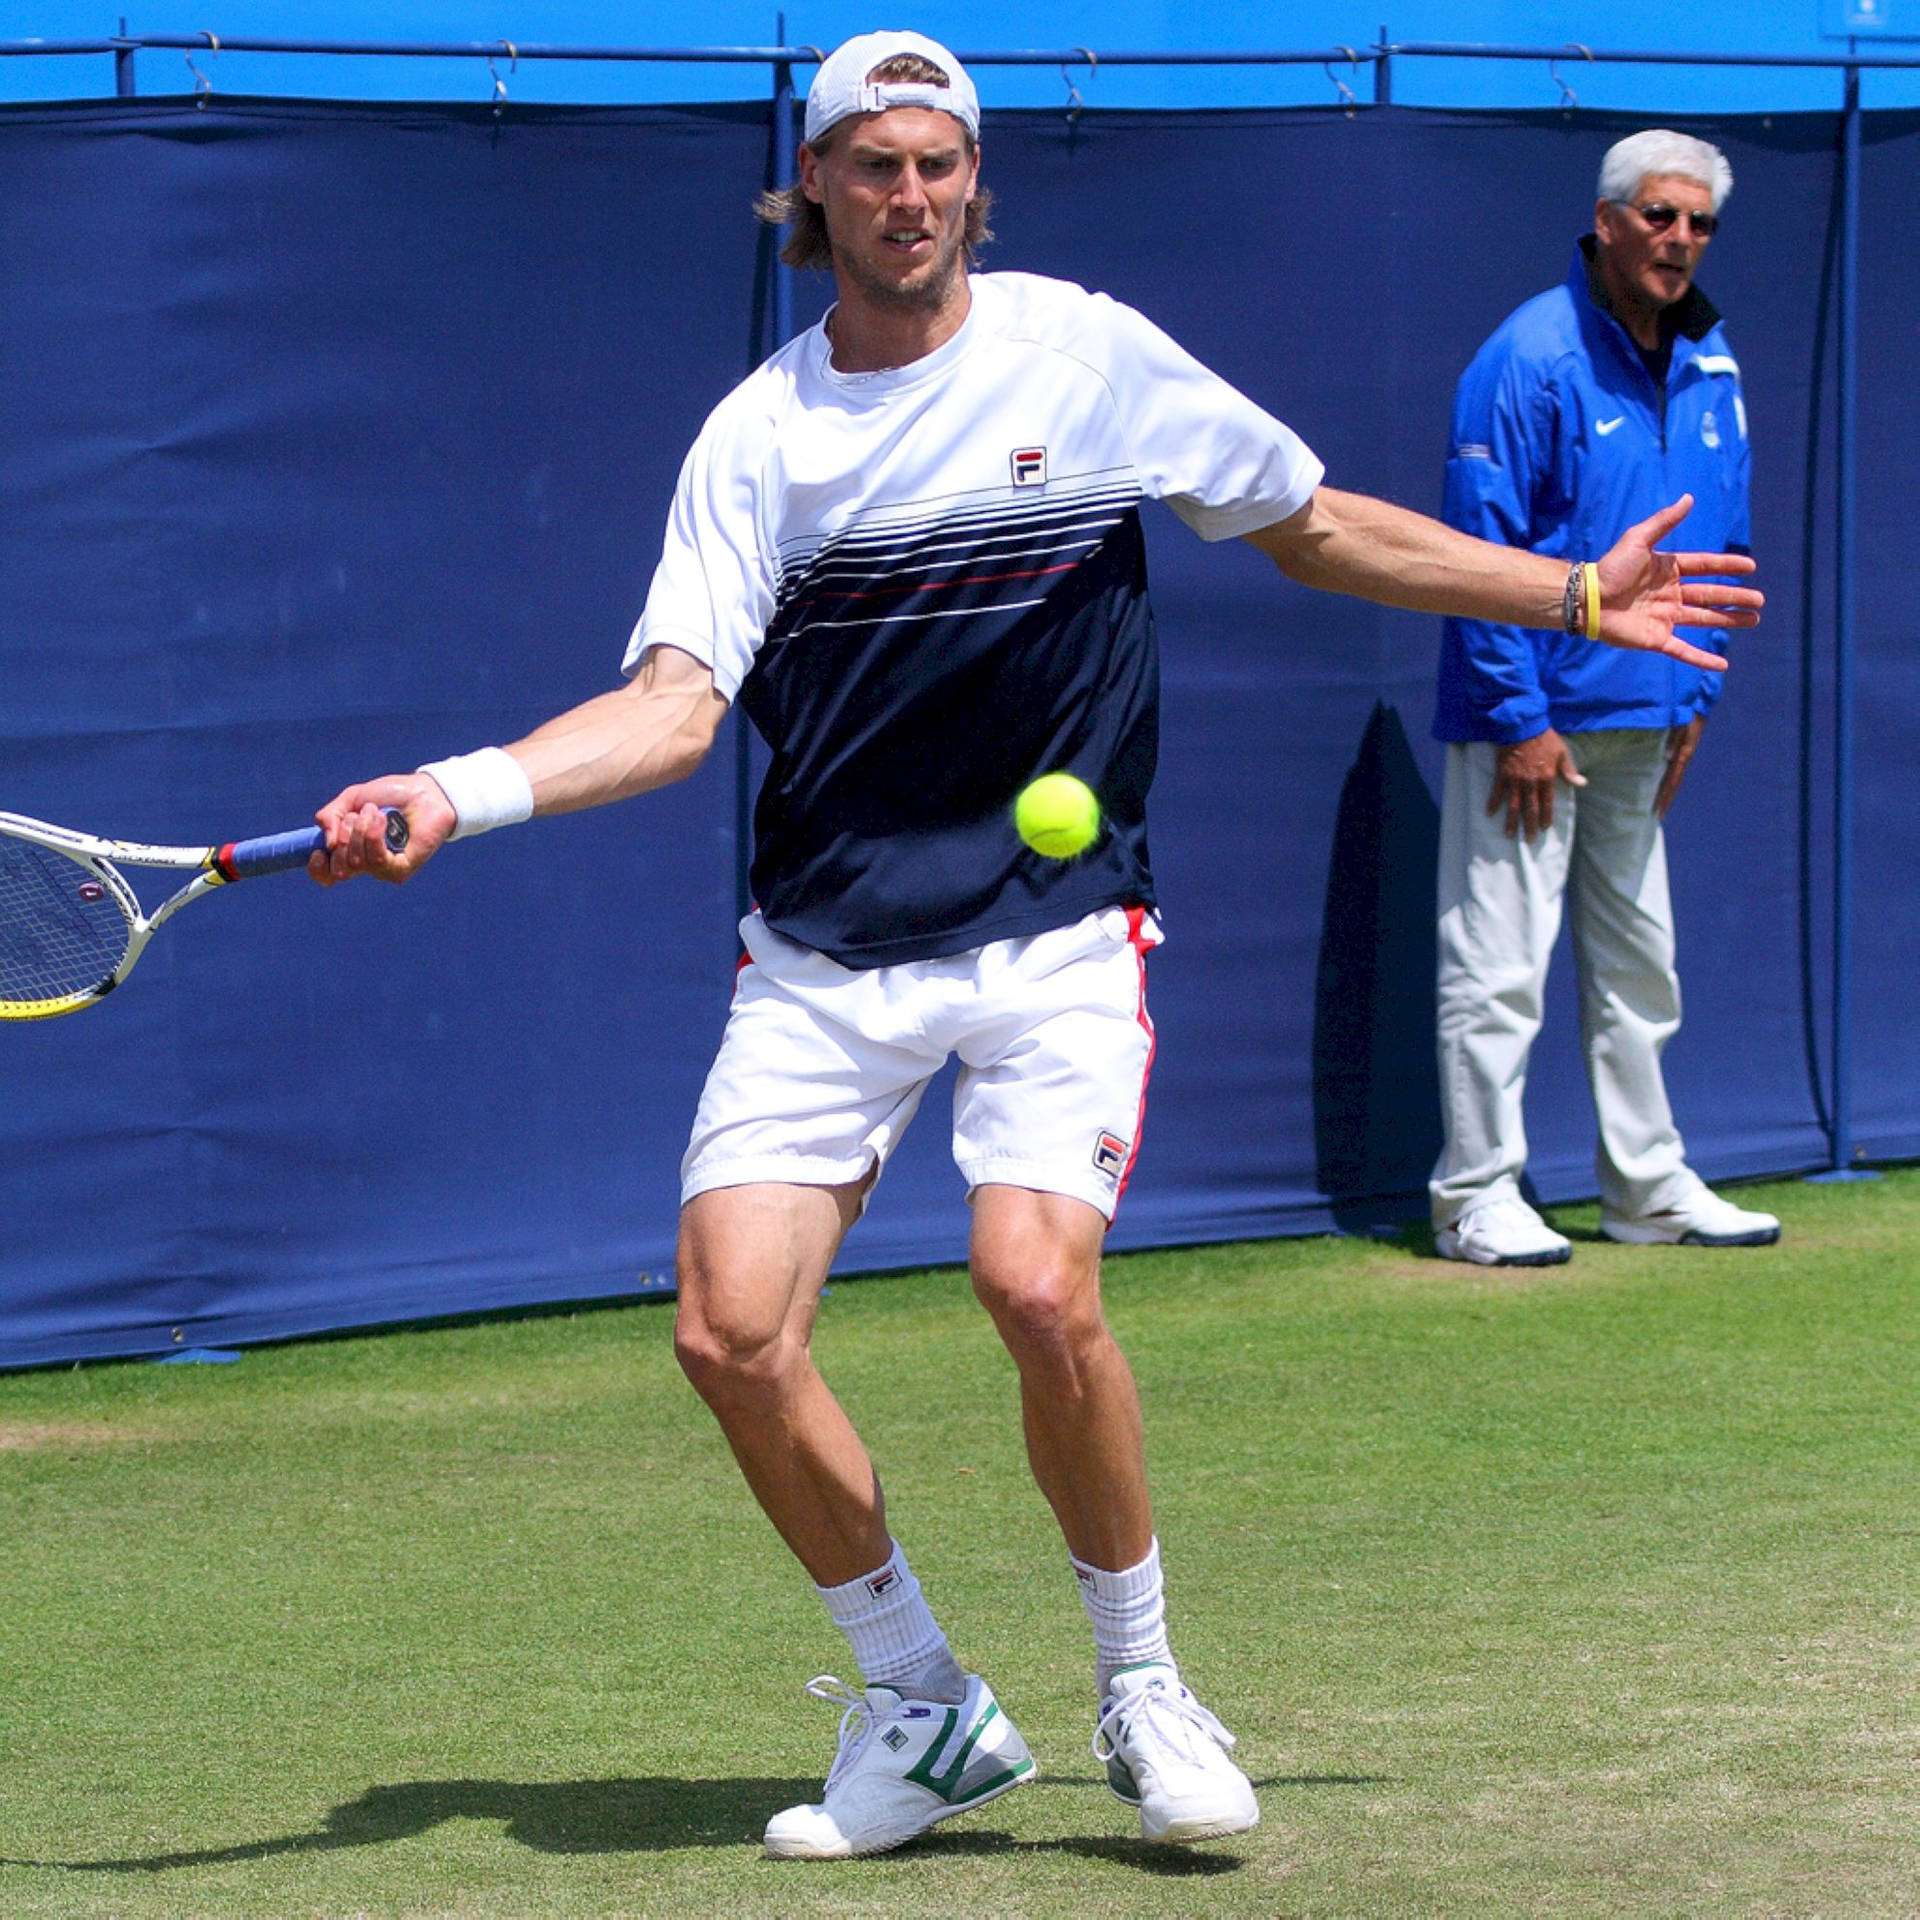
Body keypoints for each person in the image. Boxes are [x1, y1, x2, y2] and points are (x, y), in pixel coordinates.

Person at [310, 40, 1760, 1857]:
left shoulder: (1085, 351)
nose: (908, 198)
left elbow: (1307, 523)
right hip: (829, 949)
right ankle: (920, 1706)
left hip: (1056, 930)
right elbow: (676, 708)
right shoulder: (757, 437)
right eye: (873, 166)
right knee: (727, 1333)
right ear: (812, 187)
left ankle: (1144, 1686)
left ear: (970, 185)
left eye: (937, 167)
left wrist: (1564, 590)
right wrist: (460, 790)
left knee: (1034, 1286)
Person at [1428, 129, 1782, 1270]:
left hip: (1648, 713)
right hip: (1530, 720)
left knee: (1642, 968)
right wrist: (1518, 717)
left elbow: (1715, 551)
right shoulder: (1528, 357)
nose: (1680, 241)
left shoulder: (1713, 361)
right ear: (1608, 219)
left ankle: (1646, 1186)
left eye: (1699, 224)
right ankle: (1476, 1195)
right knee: (1498, 971)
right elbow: (1476, 550)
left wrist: (1693, 701)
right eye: (1660, 216)